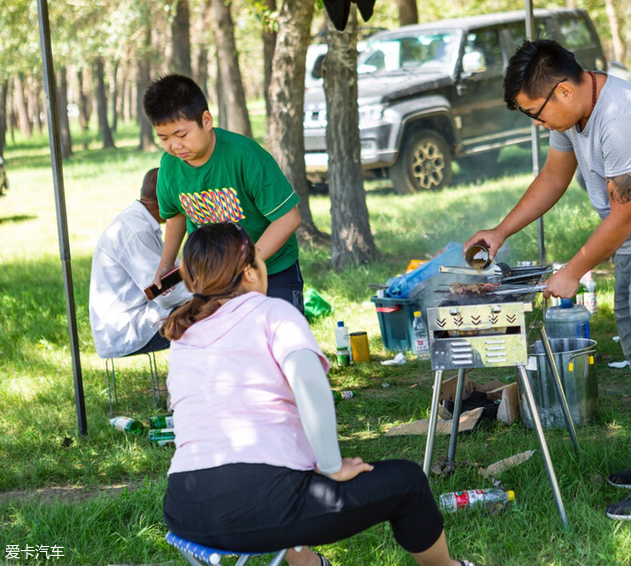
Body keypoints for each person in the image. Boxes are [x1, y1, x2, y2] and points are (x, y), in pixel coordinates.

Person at [465, 40, 631, 521]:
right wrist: (500, 231)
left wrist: (573, 271)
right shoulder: (575, 110)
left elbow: (624, 216)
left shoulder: (621, 116)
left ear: (561, 90)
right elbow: (554, 178)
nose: (537, 124)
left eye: (535, 113)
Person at [161, 223, 482, 566]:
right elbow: (310, 387)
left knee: (287, 480)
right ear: (250, 272)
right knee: (408, 482)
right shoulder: (273, 312)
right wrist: (332, 466)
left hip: (185, 510)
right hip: (260, 506)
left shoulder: (183, 334)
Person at [142, 74, 305, 313]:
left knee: (280, 341)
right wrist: (166, 264)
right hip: (213, 277)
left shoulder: (245, 156)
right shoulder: (169, 167)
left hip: (271, 270)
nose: (174, 146)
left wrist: (247, 264)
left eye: (181, 135)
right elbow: (176, 214)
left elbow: (289, 218)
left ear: (206, 120)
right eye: (164, 138)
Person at [89, 168, 190, 359]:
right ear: (164, 199)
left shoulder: (139, 222)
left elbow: (172, 276)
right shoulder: (136, 232)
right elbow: (164, 295)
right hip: (128, 330)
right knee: (210, 313)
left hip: (139, 316)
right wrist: (210, 290)